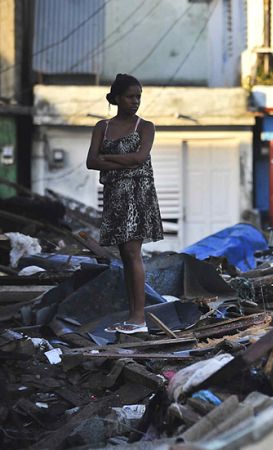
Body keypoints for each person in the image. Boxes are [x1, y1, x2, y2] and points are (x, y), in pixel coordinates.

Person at [86, 73, 163, 334]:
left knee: (133, 253)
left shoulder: (145, 126)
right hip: (115, 196)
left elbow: (139, 158)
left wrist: (108, 157)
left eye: (138, 97)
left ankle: (139, 318)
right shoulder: (102, 127)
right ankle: (133, 317)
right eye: (130, 96)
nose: (135, 101)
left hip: (138, 195)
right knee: (125, 256)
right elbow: (91, 161)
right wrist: (122, 160)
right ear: (117, 98)